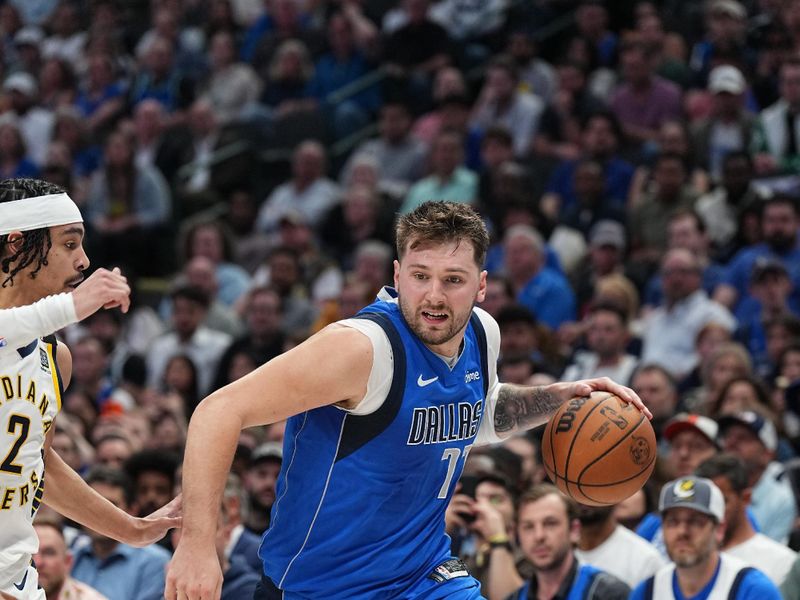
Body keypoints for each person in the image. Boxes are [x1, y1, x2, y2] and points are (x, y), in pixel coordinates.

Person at [166, 201, 649, 599]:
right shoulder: (361, 348)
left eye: (454, 280)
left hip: (425, 576)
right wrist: (196, 545)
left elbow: (471, 412)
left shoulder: (482, 334)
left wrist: (561, 399)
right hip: (323, 587)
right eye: (421, 276)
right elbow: (217, 411)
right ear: (398, 275)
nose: (434, 296)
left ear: (481, 285)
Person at [0, 178, 180, 599]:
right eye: (68, 244)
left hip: (16, 577)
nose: (83, 261)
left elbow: (38, 466)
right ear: (15, 244)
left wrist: (133, 529)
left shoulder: (55, 357)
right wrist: (72, 307)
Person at [630, 476, 781, 600]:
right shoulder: (647, 592)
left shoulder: (751, 589)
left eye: (695, 522)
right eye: (673, 522)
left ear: (719, 529)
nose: (682, 531)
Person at [500, 484, 629, 600]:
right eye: (528, 527)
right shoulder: (514, 598)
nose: (539, 536)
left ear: (574, 530)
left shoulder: (609, 594)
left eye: (550, 523)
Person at [695, 454, 796, 586]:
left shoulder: (782, 561)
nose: (712, 512)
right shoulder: (689, 559)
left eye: (722, 502)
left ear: (745, 498)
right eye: (704, 505)